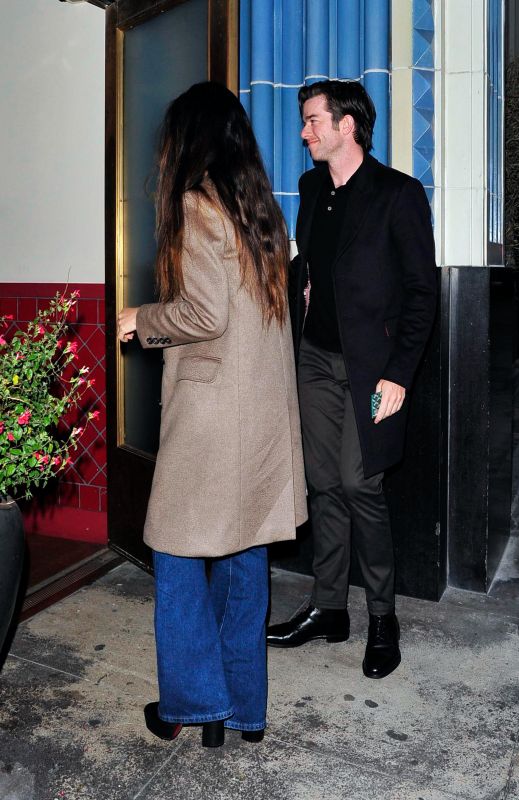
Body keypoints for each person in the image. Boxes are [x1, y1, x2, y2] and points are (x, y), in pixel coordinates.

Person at [117, 82, 307, 747]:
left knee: (173, 558)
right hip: (260, 422)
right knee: (242, 560)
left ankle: (190, 705)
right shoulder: (261, 214)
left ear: (190, 138)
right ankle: (242, 713)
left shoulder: (198, 207)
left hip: (211, 421)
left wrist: (142, 319)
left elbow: (202, 315)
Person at [267, 80, 436, 680]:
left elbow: (422, 293)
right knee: (322, 484)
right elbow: (306, 265)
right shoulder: (313, 189)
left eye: (313, 121)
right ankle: (329, 608)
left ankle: (383, 617)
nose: (305, 131)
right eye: (305, 121)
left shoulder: (399, 194)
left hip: (371, 368)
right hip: (314, 358)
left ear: (347, 126)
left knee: (359, 484)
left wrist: (399, 376)